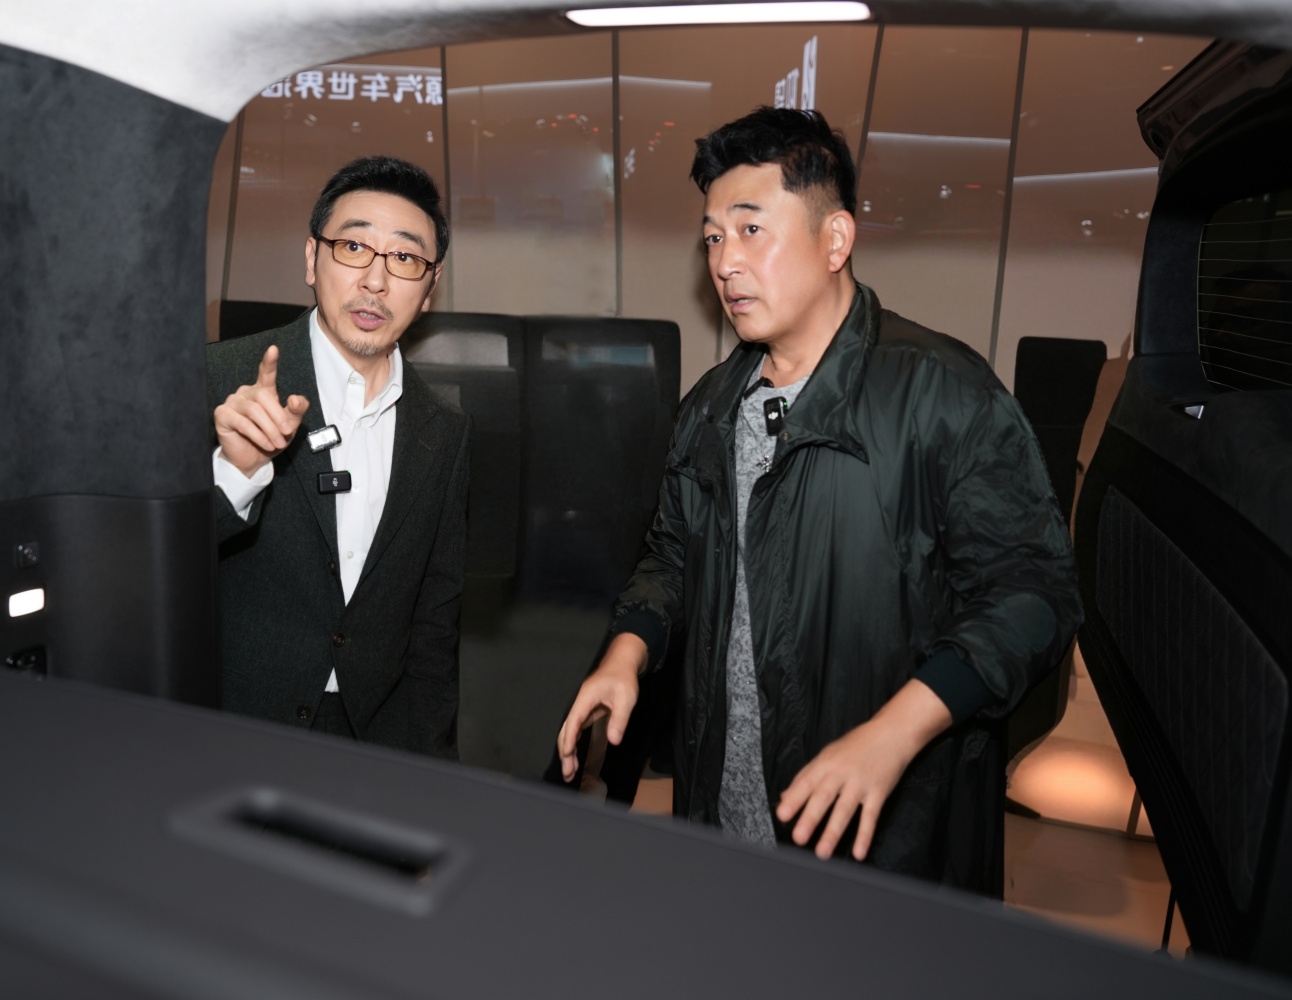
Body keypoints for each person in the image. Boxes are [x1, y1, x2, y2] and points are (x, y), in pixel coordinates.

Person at [556, 108, 1080, 893]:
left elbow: (1034, 595)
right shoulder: (710, 406)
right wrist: (626, 652)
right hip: (722, 818)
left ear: (835, 241)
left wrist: (894, 733)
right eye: (711, 238)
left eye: (751, 230)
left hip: (886, 844)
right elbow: (670, 557)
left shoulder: (944, 396)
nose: (725, 263)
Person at [208, 155, 470, 759]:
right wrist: (236, 474)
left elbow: (435, 627)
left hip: (374, 743)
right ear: (311, 258)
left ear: (429, 288)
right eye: (354, 247)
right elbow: (141, 571)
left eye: (405, 258)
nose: (375, 281)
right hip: (231, 731)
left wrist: (432, 771)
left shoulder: (445, 432)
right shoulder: (217, 379)